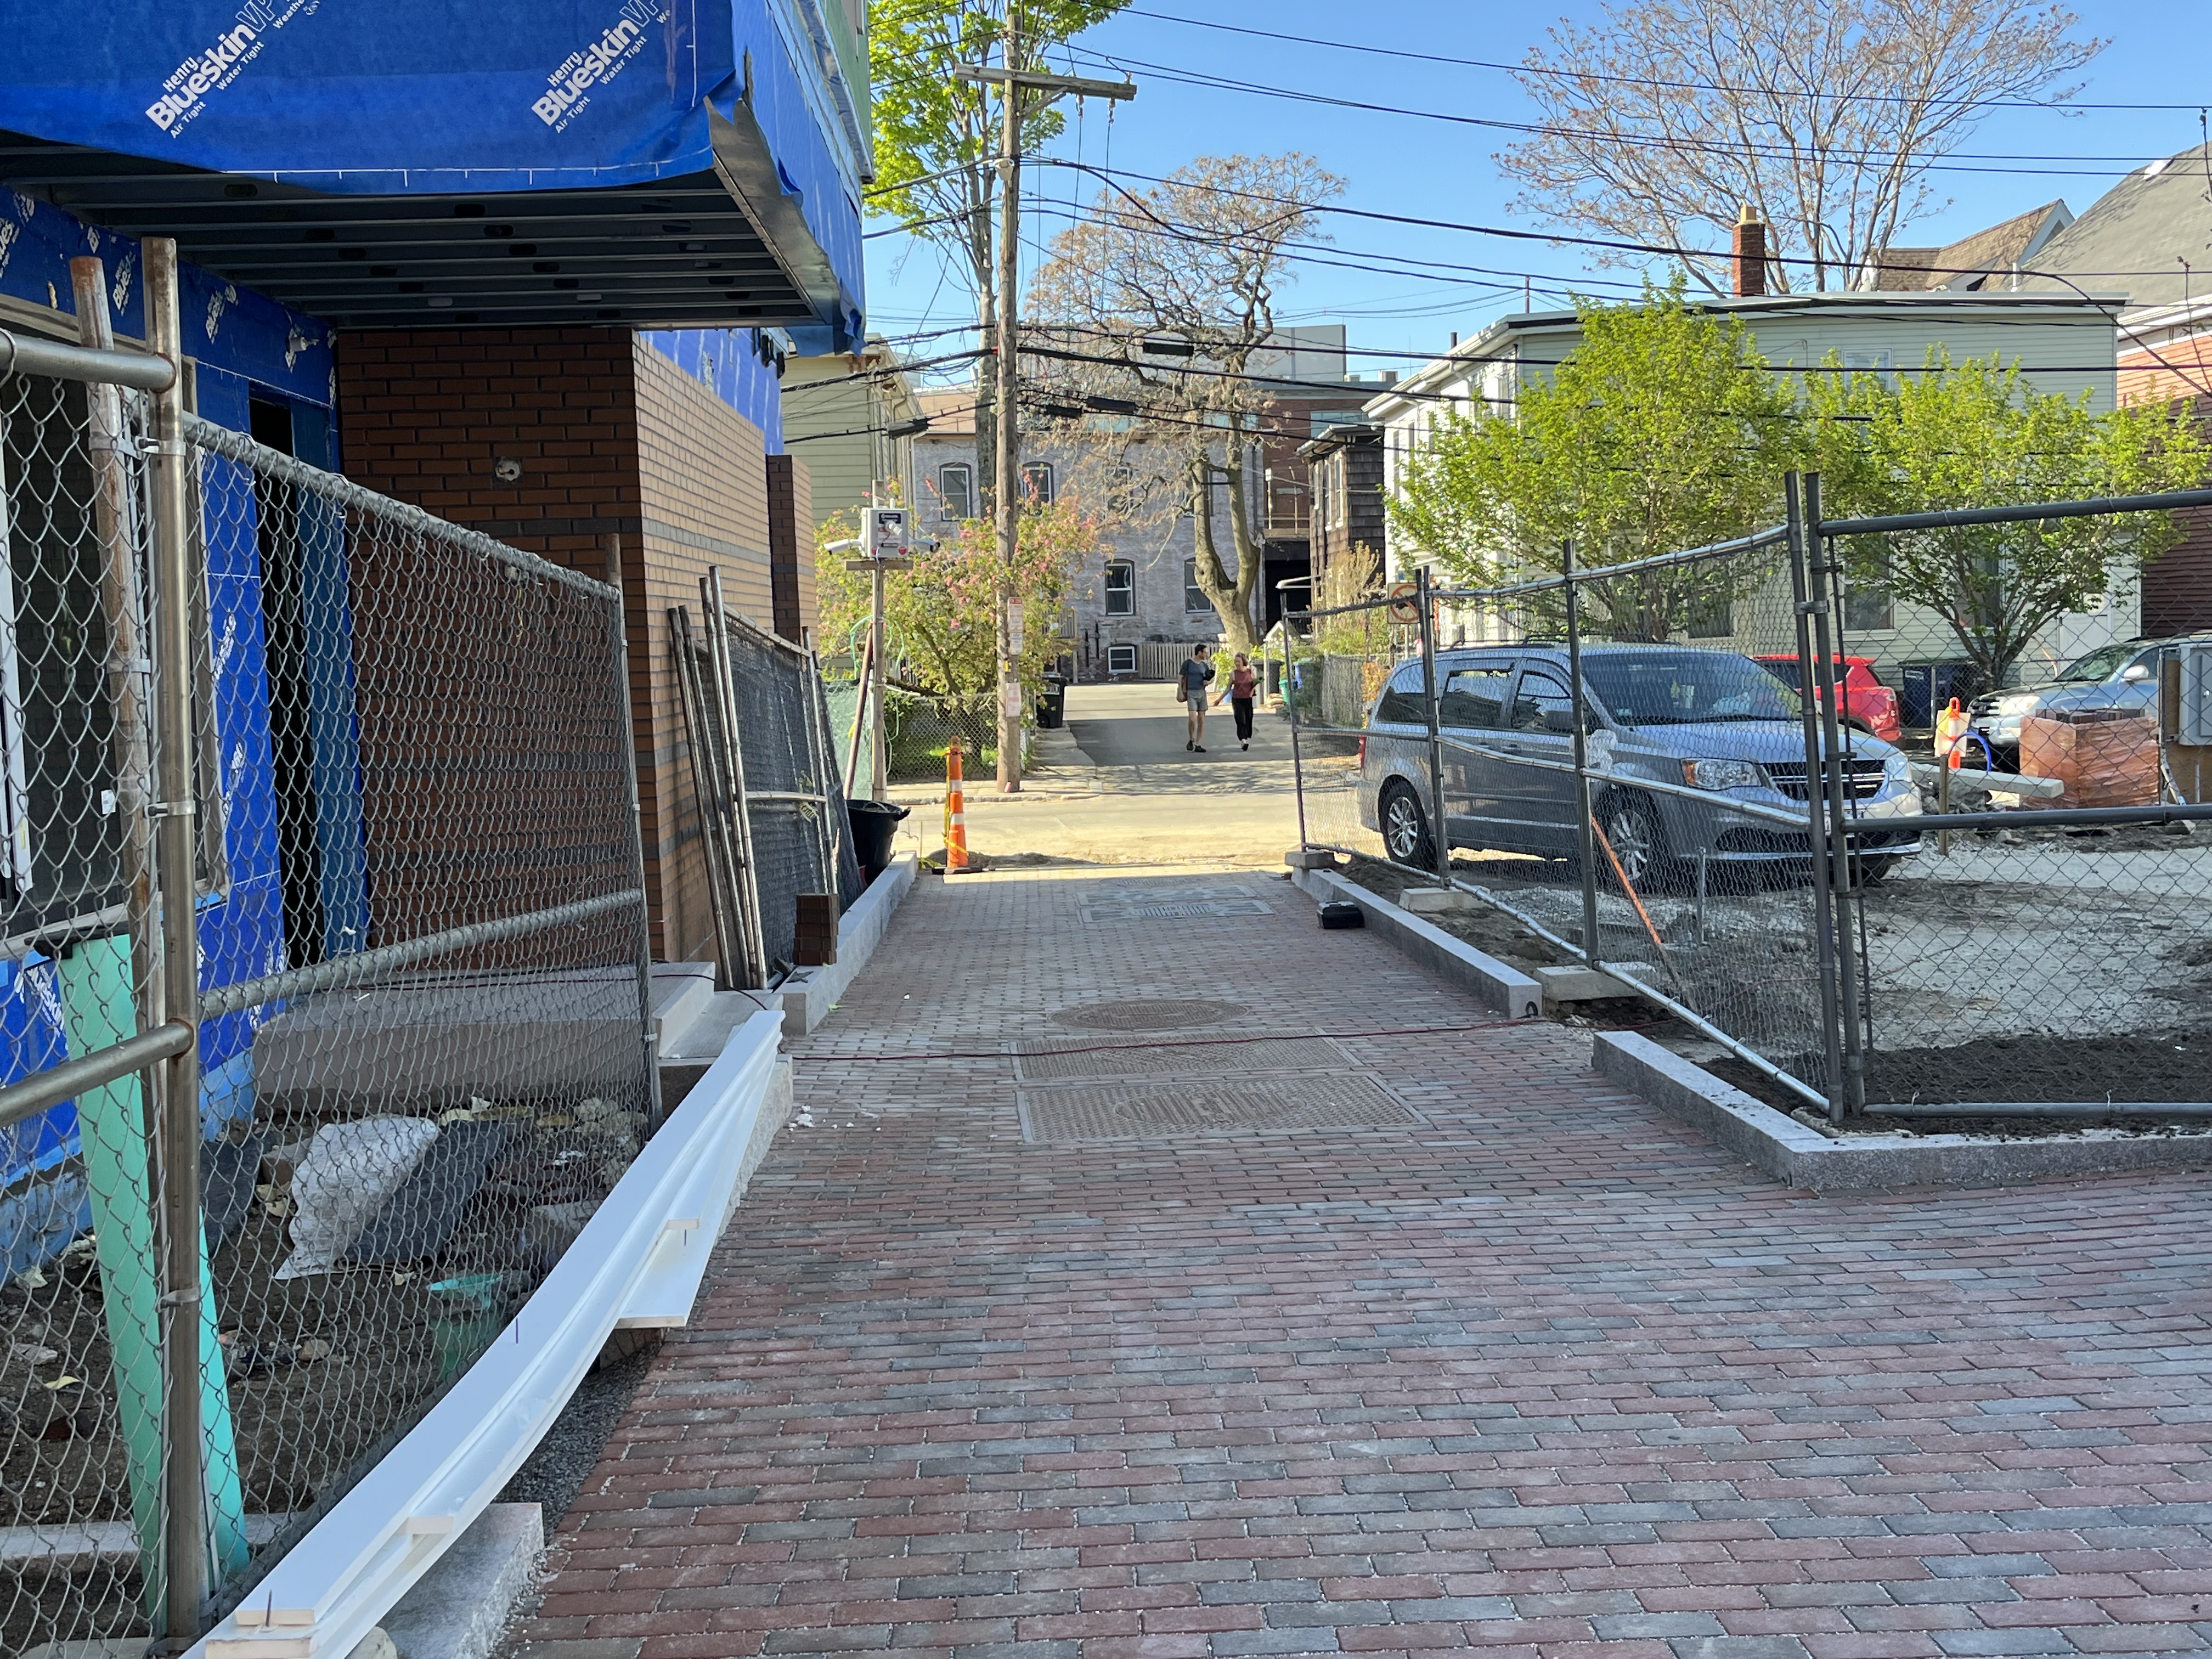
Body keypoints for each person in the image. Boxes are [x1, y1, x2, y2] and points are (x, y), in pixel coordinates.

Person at [1215, 651, 1259, 749]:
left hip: (1248, 699)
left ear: (1243, 662)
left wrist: (1257, 682)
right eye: (1236, 661)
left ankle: (1245, 738)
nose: (1237, 663)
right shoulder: (1234, 673)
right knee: (1240, 720)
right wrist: (1219, 700)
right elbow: (1228, 688)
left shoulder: (1250, 672)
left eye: (1238, 661)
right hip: (1237, 700)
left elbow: (1255, 684)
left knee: (1248, 720)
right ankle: (1243, 741)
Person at [1177, 644, 1216, 751]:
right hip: (1191, 693)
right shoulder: (1188, 664)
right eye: (1205, 653)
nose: (1207, 655)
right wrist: (1180, 690)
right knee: (1193, 718)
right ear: (1199, 653)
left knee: (1202, 719)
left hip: (1202, 693)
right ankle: (1191, 738)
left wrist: (1208, 682)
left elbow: (1210, 678)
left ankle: (1198, 744)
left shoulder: (1204, 666)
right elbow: (1181, 677)